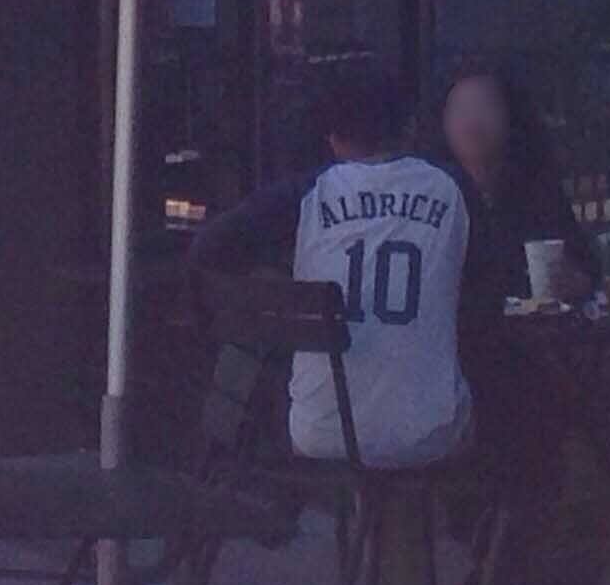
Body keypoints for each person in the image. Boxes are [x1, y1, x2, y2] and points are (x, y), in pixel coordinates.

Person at [190, 62, 473, 468]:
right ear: (410, 129)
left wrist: (277, 274)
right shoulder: (450, 188)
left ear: (335, 141)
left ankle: (370, 523)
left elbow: (211, 245)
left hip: (318, 431)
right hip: (428, 436)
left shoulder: (307, 193)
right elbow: (494, 284)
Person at [439, 63, 599, 493]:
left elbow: (585, 270)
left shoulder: (535, 190)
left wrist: (573, 279)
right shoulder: (435, 197)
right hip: (457, 362)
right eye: (459, 108)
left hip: (532, 349)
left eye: (485, 106)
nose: (472, 120)